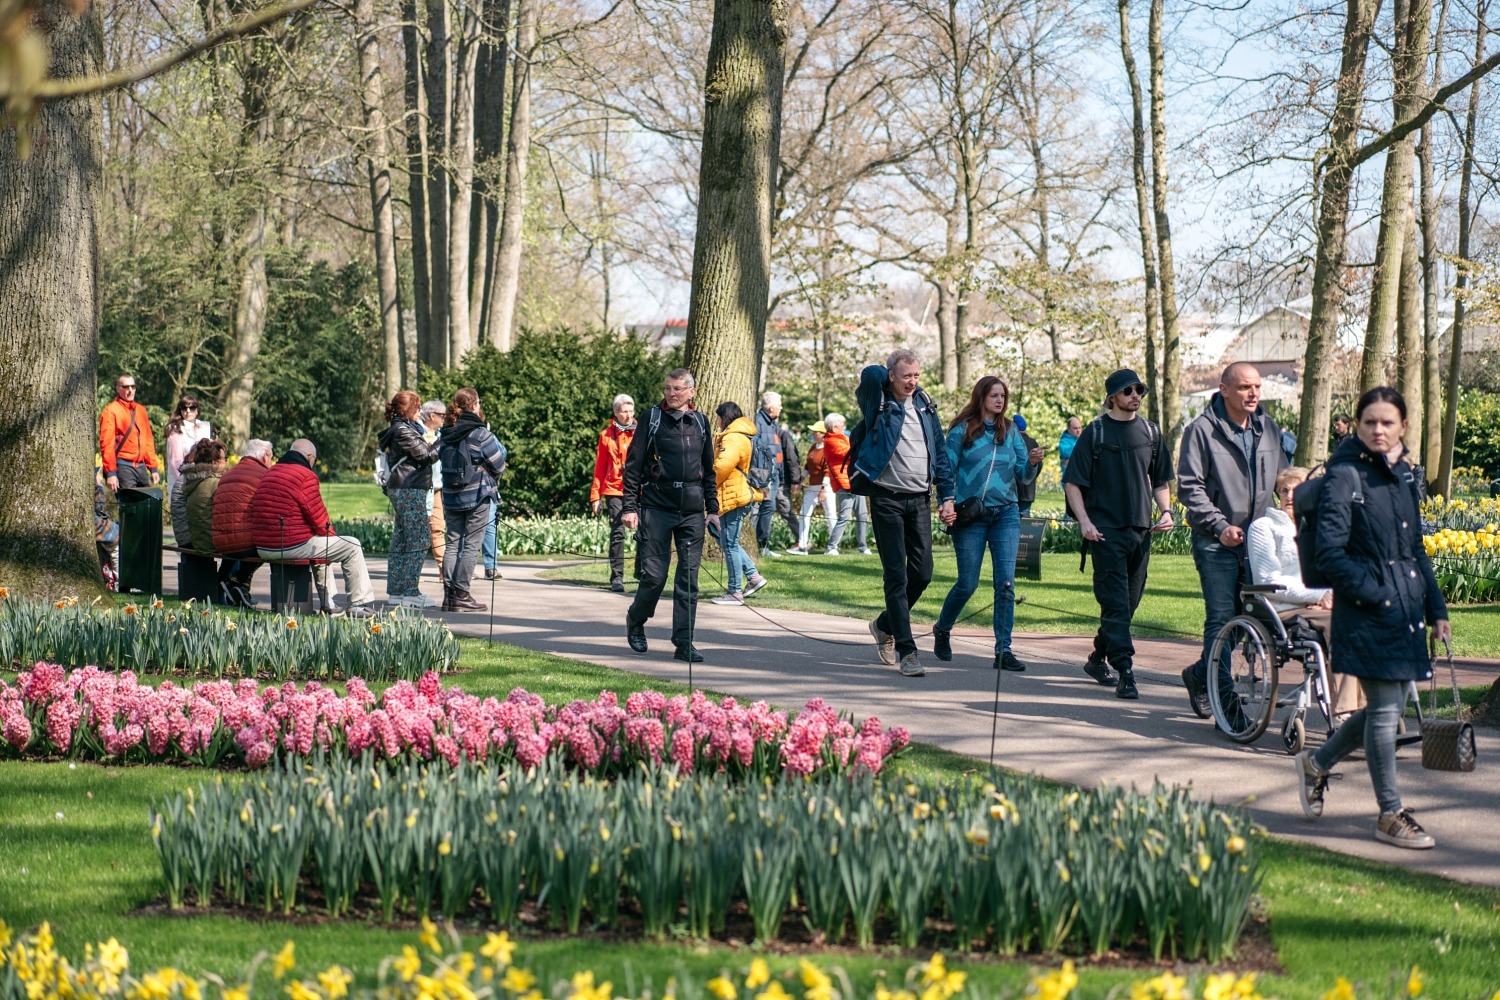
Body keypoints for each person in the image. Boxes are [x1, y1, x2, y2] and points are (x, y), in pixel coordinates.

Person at [1295, 386, 1450, 850]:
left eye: (1388, 422)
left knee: (1385, 706)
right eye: (1370, 422)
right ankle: (1389, 813)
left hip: (1405, 611)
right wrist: (1377, 594)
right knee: (1386, 713)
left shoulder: (1403, 477)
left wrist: (1436, 609)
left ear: (1403, 426)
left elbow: (1416, 550)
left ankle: (1316, 763)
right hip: (1368, 612)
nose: (1378, 430)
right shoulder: (1345, 477)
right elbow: (1330, 553)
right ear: (1357, 427)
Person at [1178, 362, 1287, 724]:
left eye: (1257, 386)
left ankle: (1200, 673)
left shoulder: (1268, 429)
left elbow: (1284, 480)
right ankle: (1226, 701)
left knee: (1250, 619)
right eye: (1244, 387)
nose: (1253, 393)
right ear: (1224, 390)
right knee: (1221, 618)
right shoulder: (1201, 431)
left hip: (1258, 542)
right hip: (1215, 542)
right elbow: (1189, 488)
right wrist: (1220, 525)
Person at [1061, 368, 1175, 700]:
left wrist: (1166, 511)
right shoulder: (1094, 433)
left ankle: (1098, 658)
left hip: (1141, 530)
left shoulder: (1152, 433)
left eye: (1139, 389)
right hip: (1105, 532)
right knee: (1115, 605)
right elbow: (1073, 484)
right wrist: (1084, 521)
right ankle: (1126, 671)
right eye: (1128, 391)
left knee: (1128, 603)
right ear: (1113, 397)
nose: (1135, 395)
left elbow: (1161, 481)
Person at [851, 349, 957, 678]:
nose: (912, 382)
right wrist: (886, 377)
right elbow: (869, 375)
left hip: (919, 499)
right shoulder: (878, 403)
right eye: (906, 375)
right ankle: (907, 651)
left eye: (916, 376)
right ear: (892, 376)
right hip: (886, 499)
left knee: (923, 573)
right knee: (896, 575)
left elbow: (938, 450)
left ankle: (884, 624)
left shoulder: (925, 405)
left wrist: (947, 495)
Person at [932, 377, 1043, 672]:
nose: (1000, 400)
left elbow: (1023, 476)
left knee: (1005, 585)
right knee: (967, 584)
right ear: (981, 397)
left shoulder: (1011, 433)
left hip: (1006, 515)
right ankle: (942, 629)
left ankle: (1003, 651)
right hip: (971, 517)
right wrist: (948, 501)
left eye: (1003, 396)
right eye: (994, 395)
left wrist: (1032, 462)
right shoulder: (961, 431)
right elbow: (945, 471)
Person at [1247, 466, 1364, 722]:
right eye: (1285, 490)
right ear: (1277, 494)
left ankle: (1371, 710)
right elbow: (1268, 580)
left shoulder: (1319, 528)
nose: (1290, 495)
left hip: (1322, 605)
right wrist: (1316, 596)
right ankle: (1347, 712)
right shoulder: (1263, 527)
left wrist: (1334, 595)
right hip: (1282, 606)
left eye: (1297, 490)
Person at [621, 368, 720, 662]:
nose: (671, 394)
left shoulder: (701, 422)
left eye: (677, 389)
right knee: (654, 576)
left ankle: (684, 643)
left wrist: (712, 509)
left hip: (692, 512)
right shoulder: (652, 419)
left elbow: (709, 470)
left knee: (688, 580)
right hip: (656, 508)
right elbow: (633, 466)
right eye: (667, 388)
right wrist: (629, 507)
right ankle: (636, 620)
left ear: (691, 392)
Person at [251, 438, 377, 618]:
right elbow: (319, 519)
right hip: (288, 546)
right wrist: (332, 538)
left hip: (263, 547)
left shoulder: (271, 472)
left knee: (320, 544)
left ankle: (329, 604)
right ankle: (359, 604)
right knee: (352, 546)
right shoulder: (304, 475)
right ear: (310, 457)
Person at [438, 388, 507, 612]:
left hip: (451, 495)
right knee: (471, 546)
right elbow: (499, 464)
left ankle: (449, 596)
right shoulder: (480, 433)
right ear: (475, 405)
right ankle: (462, 594)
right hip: (477, 495)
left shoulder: (446, 432)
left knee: (452, 543)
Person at [378, 390, 441, 609]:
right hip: (409, 488)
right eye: (418, 406)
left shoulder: (400, 428)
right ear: (407, 409)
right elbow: (426, 455)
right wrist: (444, 440)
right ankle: (410, 593)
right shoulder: (403, 430)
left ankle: (397, 592)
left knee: (402, 539)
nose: (421, 410)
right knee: (419, 539)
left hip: (403, 487)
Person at [709, 401, 769, 606]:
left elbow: (723, 465)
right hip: (739, 493)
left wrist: (708, 484)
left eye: (718, 418)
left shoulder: (733, 437)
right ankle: (753, 576)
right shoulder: (745, 434)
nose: (717, 422)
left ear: (724, 417)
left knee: (729, 544)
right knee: (724, 539)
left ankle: (735, 591)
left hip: (736, 494)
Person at [212, 438, 273, 607]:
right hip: (244, 543)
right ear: (265, 456)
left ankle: (239, 589)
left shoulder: (228, 474)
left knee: (237, 541)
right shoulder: (264, 475)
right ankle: (237, 582)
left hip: (220, 541)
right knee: (271, 546)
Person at [590, 394, 637, 592]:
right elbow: (600, 467)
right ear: (616, 413)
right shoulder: (606, 436)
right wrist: (595, 496)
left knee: (645, 530)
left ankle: (642, 570)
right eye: (624, 412)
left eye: (631, 411)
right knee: (617, 532)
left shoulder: (641, 432)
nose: (628, 415)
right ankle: (616, 578)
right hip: (614, 489)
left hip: (638, 489)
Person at [99, 374, 160, 491]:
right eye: (126, 387)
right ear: (118, 389)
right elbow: (107, 444)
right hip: (123, 466)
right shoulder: (110, 411)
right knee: (129, 506)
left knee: (146, 506)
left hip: (141, 467)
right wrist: (111, 473)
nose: (130, 390)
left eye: (133, 386)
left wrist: (153, 468)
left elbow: (148, 441)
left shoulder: (141, 410)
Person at [822, 413, 870, 555]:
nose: (844, 427)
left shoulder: (842, 437)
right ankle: (831, 547)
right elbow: (848, 452)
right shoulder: (830, 441)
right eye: (842, 425)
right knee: (845, 516)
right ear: (834, 427)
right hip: (844, 483)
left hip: (854, 480)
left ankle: (863, 547)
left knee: (862, 515)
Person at [788, 420, 837, 555]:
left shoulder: (828, 448)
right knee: (804, 514)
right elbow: (807, 467)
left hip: (825, 488)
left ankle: (833, 547)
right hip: (812, 487)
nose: (813, 433)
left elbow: (828, 470)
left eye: (815, 431)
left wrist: (823, 488)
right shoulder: (813, 447)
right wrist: (799, 480)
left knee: (831, 515)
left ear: (823, 434)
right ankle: (802, 545)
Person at [419, 401, 449, 587]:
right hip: (418, 489)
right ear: (432, 416)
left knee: (438, 528)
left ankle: (443, 571)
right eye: (442, 415)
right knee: (416, 532)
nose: (444, 418)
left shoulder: (440, 435)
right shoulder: (417, 432)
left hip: (436, 489)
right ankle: (412, 572)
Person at [752, 391, 784, 555]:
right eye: (779, 405)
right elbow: (758, 451)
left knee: (768, 508)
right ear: (771, 407)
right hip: (764, 476)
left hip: (774, 474)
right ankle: (760, 546)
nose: (781, 408)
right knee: (763, 508)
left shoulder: (772, 424)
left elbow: (777, 449)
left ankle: (762, 546)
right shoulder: (758, 422)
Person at [164, 395, 212, 494]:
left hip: (202, 482)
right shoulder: (175, 429)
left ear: (197, 410)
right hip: (183, 484)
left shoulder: (204, 428)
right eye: (184, 408)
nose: (188, 411)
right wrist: (187, 484)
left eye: (192, 407)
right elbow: (175, 462)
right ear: (180, 410)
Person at [775, 420, 804, 544]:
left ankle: (803, 539)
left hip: (782, 481)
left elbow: (792, 458)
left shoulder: (783, 435)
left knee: (786, 511)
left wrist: (795, 480)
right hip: (774, 480)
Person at [1012, 414, 1040, 518]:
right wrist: (1031, 477)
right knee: (1026, 525)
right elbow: (1038, 465)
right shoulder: (1033, 442)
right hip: (1028, 491)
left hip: (1015, 490)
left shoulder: (1012, 441)